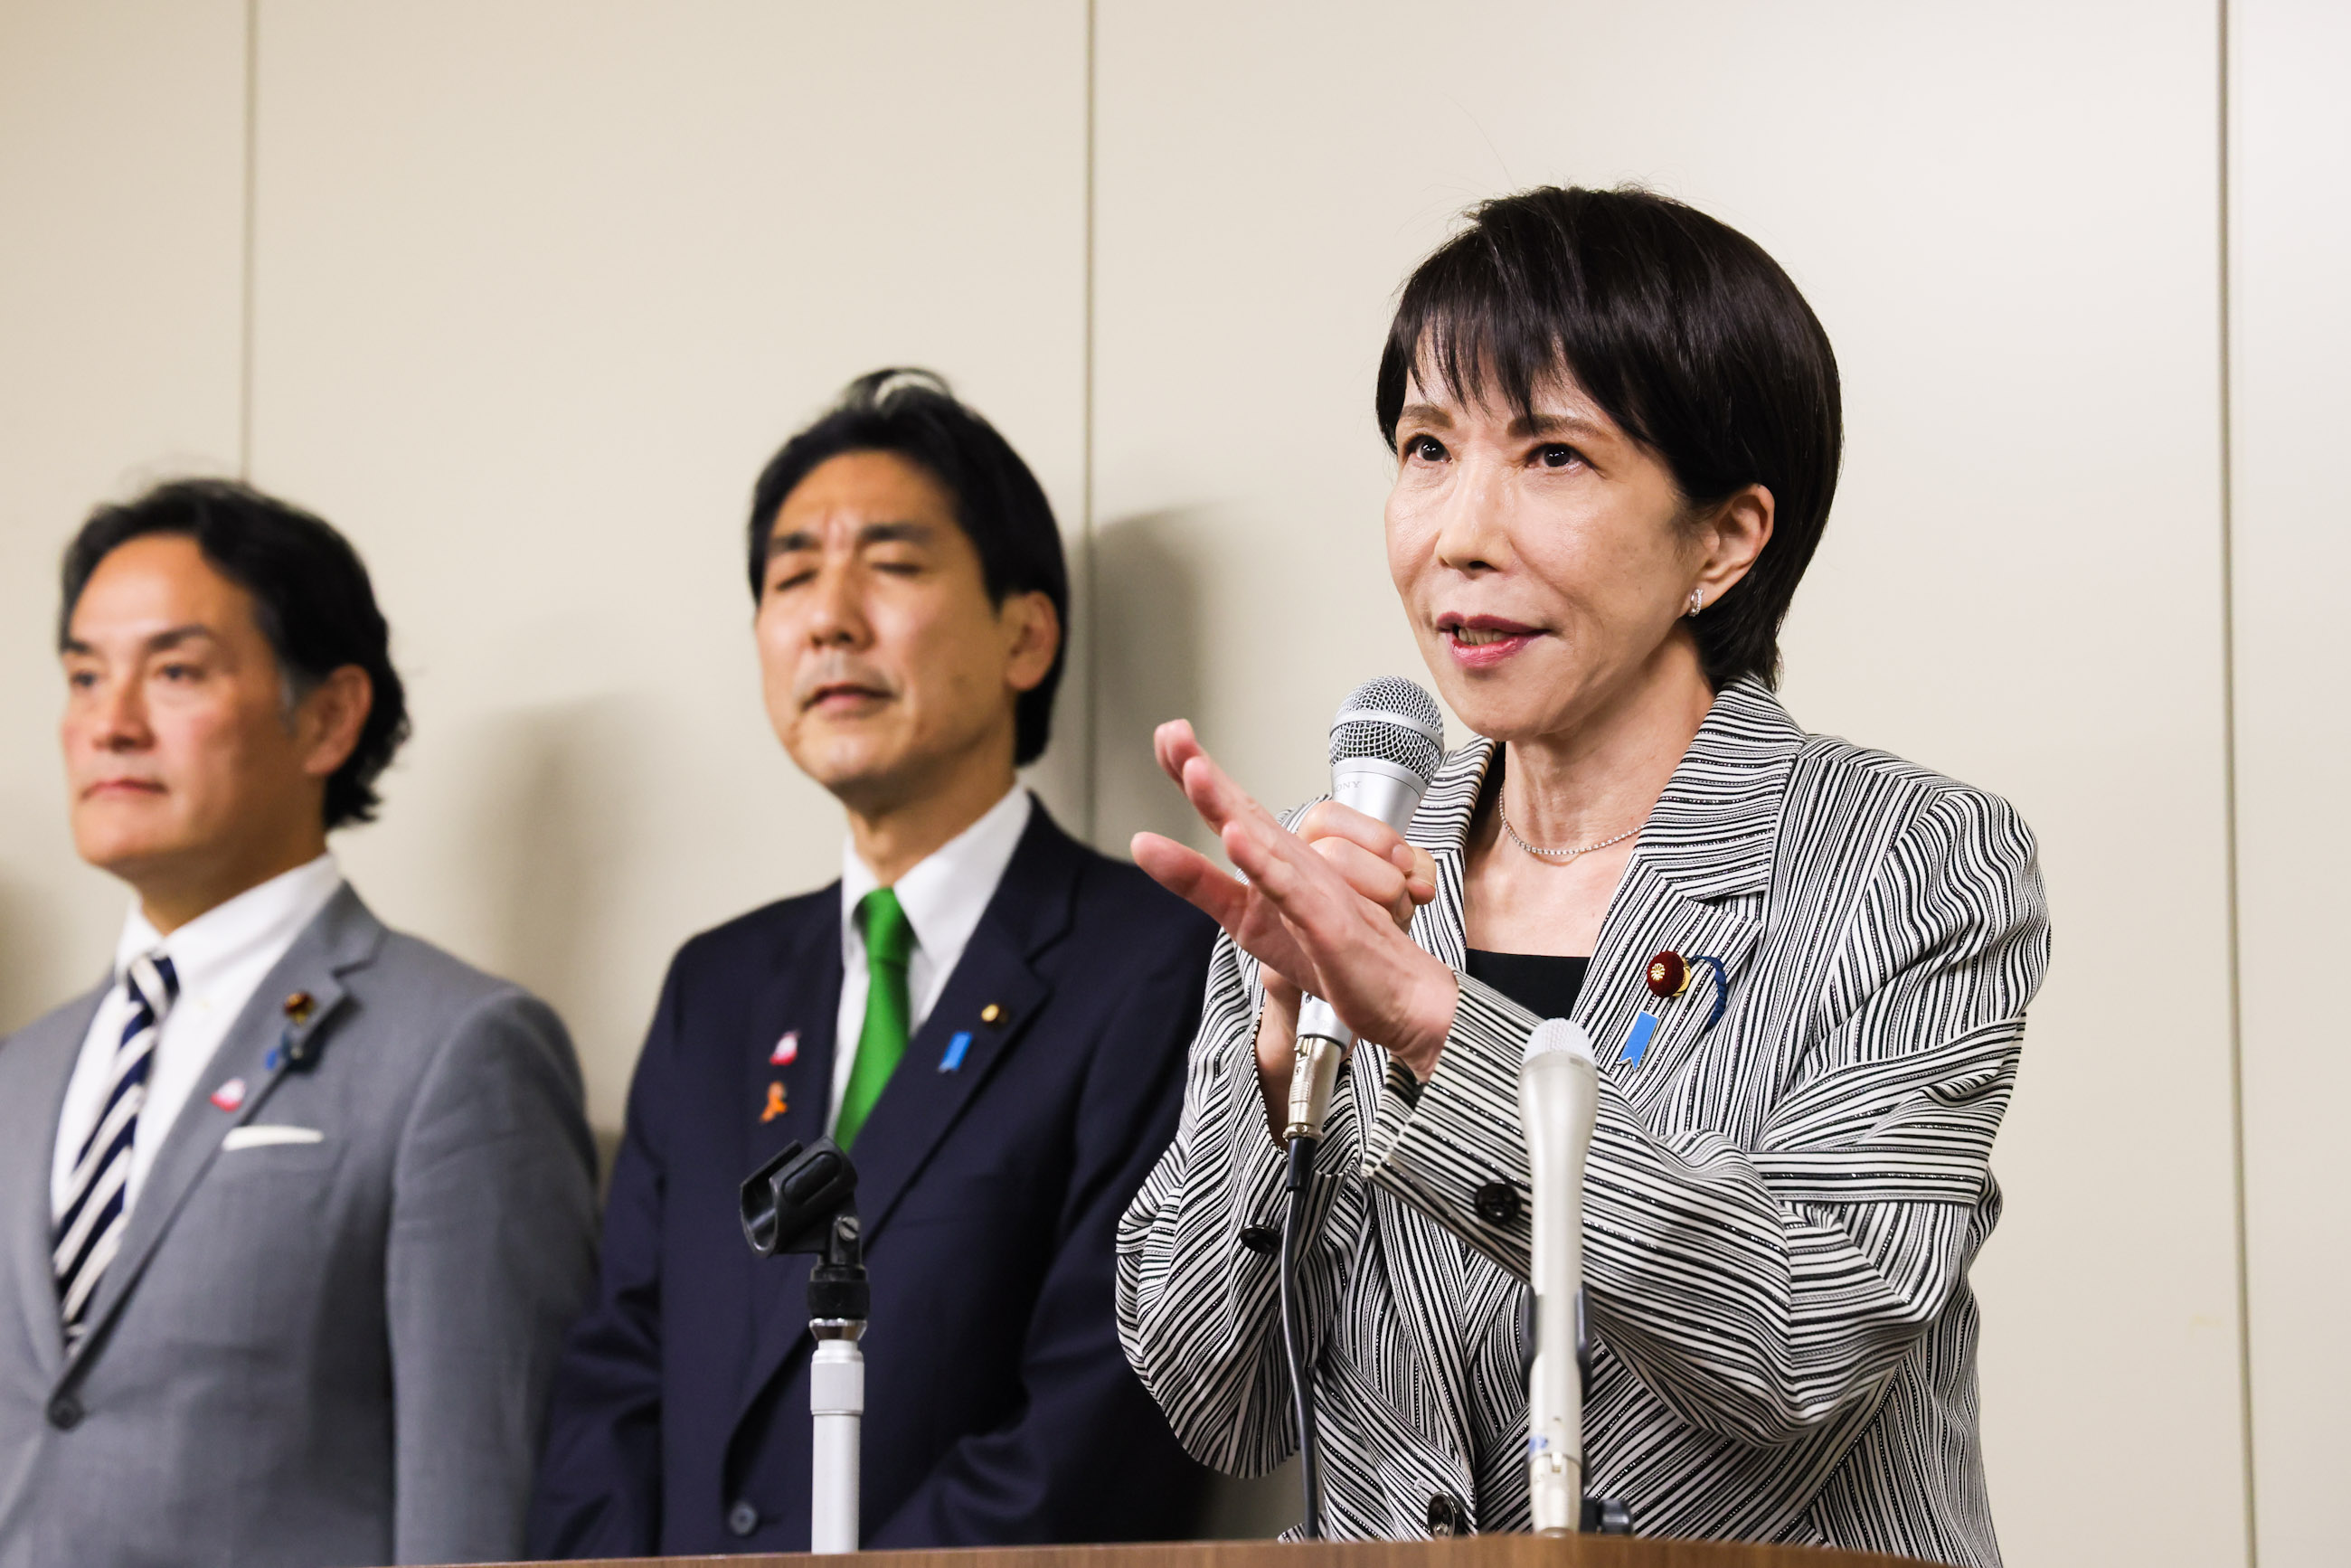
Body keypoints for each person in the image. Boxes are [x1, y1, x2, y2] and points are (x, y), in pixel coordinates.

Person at [1118, 186, 2051, 1568]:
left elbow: (1801, 1341)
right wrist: (1273, 1079)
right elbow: (1218, 1400)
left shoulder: (1911, 861)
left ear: (1725, 537)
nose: (1460, 532)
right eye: (1427, 448)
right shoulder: (1340, 873)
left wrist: (1433, 1026)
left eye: (1552, 454)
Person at [530, 369, 1214, 1555]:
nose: (828, 620)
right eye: (792, 575)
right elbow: (615, 1381)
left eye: (891, 564)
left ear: (1024, 634)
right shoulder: (716, 988)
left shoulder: (1153, 962)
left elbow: (1103, 1420)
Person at [0, 480, 600, 1568]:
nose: (109, 723)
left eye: (175, 672)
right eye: (84, 675)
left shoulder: (458, 1050)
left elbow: (472, 1500)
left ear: (327, 717)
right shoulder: (21, 1073)